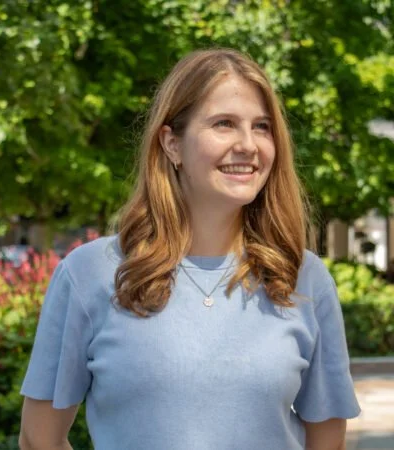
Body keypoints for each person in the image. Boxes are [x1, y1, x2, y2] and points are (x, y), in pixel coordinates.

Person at [19, 48, 360, 450]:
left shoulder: (304, 277)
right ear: (172, 144)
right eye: (224, 124)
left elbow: (327, 442)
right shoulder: (89, 274)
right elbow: (38, 439)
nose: (248, 145)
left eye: (262, 127)